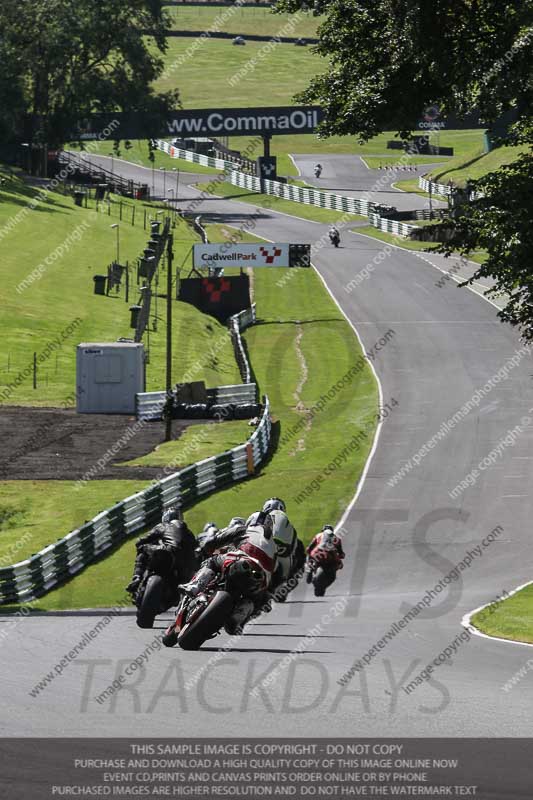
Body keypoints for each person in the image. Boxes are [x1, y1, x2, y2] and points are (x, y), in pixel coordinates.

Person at [179, 512, 276, 634]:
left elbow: (217, 540)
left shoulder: (244, 529)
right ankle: (238, 616)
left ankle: (195, 585)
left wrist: (205, 548)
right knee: (256, 600)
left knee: (212, 562)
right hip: (259, 579)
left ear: (251, 520)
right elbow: (273, 573)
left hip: (240, 561)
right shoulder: (274, 545)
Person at [126, 507, 197, 595]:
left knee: (142, 548)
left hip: (167, 552)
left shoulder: (164, 525)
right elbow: (195, 546)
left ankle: (137, 577)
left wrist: (139, 542)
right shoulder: (188, 532)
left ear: (166, 517)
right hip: (186, 563)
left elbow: (144, 540)